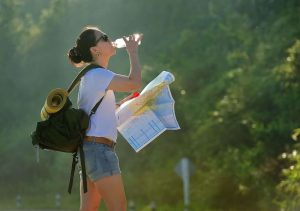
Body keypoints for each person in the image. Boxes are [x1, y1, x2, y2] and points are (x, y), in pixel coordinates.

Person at [67, 26, 143, 211]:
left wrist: (124, 103)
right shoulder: (98, 75)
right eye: (104, 38)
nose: (110, 40)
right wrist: (133, 52)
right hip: (99, 151)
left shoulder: (92, 77)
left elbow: (103, 115)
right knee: (118, 207)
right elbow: (135, 83)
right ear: (95, 50)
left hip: (89, 151)